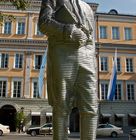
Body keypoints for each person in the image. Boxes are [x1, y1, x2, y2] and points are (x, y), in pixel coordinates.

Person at [38, 0, 98, 140]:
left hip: (87, 55)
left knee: (91, 105)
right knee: (61, 105)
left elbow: (92, 37)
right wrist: (68, 30)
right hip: (62, 52)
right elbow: (43, 23)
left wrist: (91, 55)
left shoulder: (87, 7)